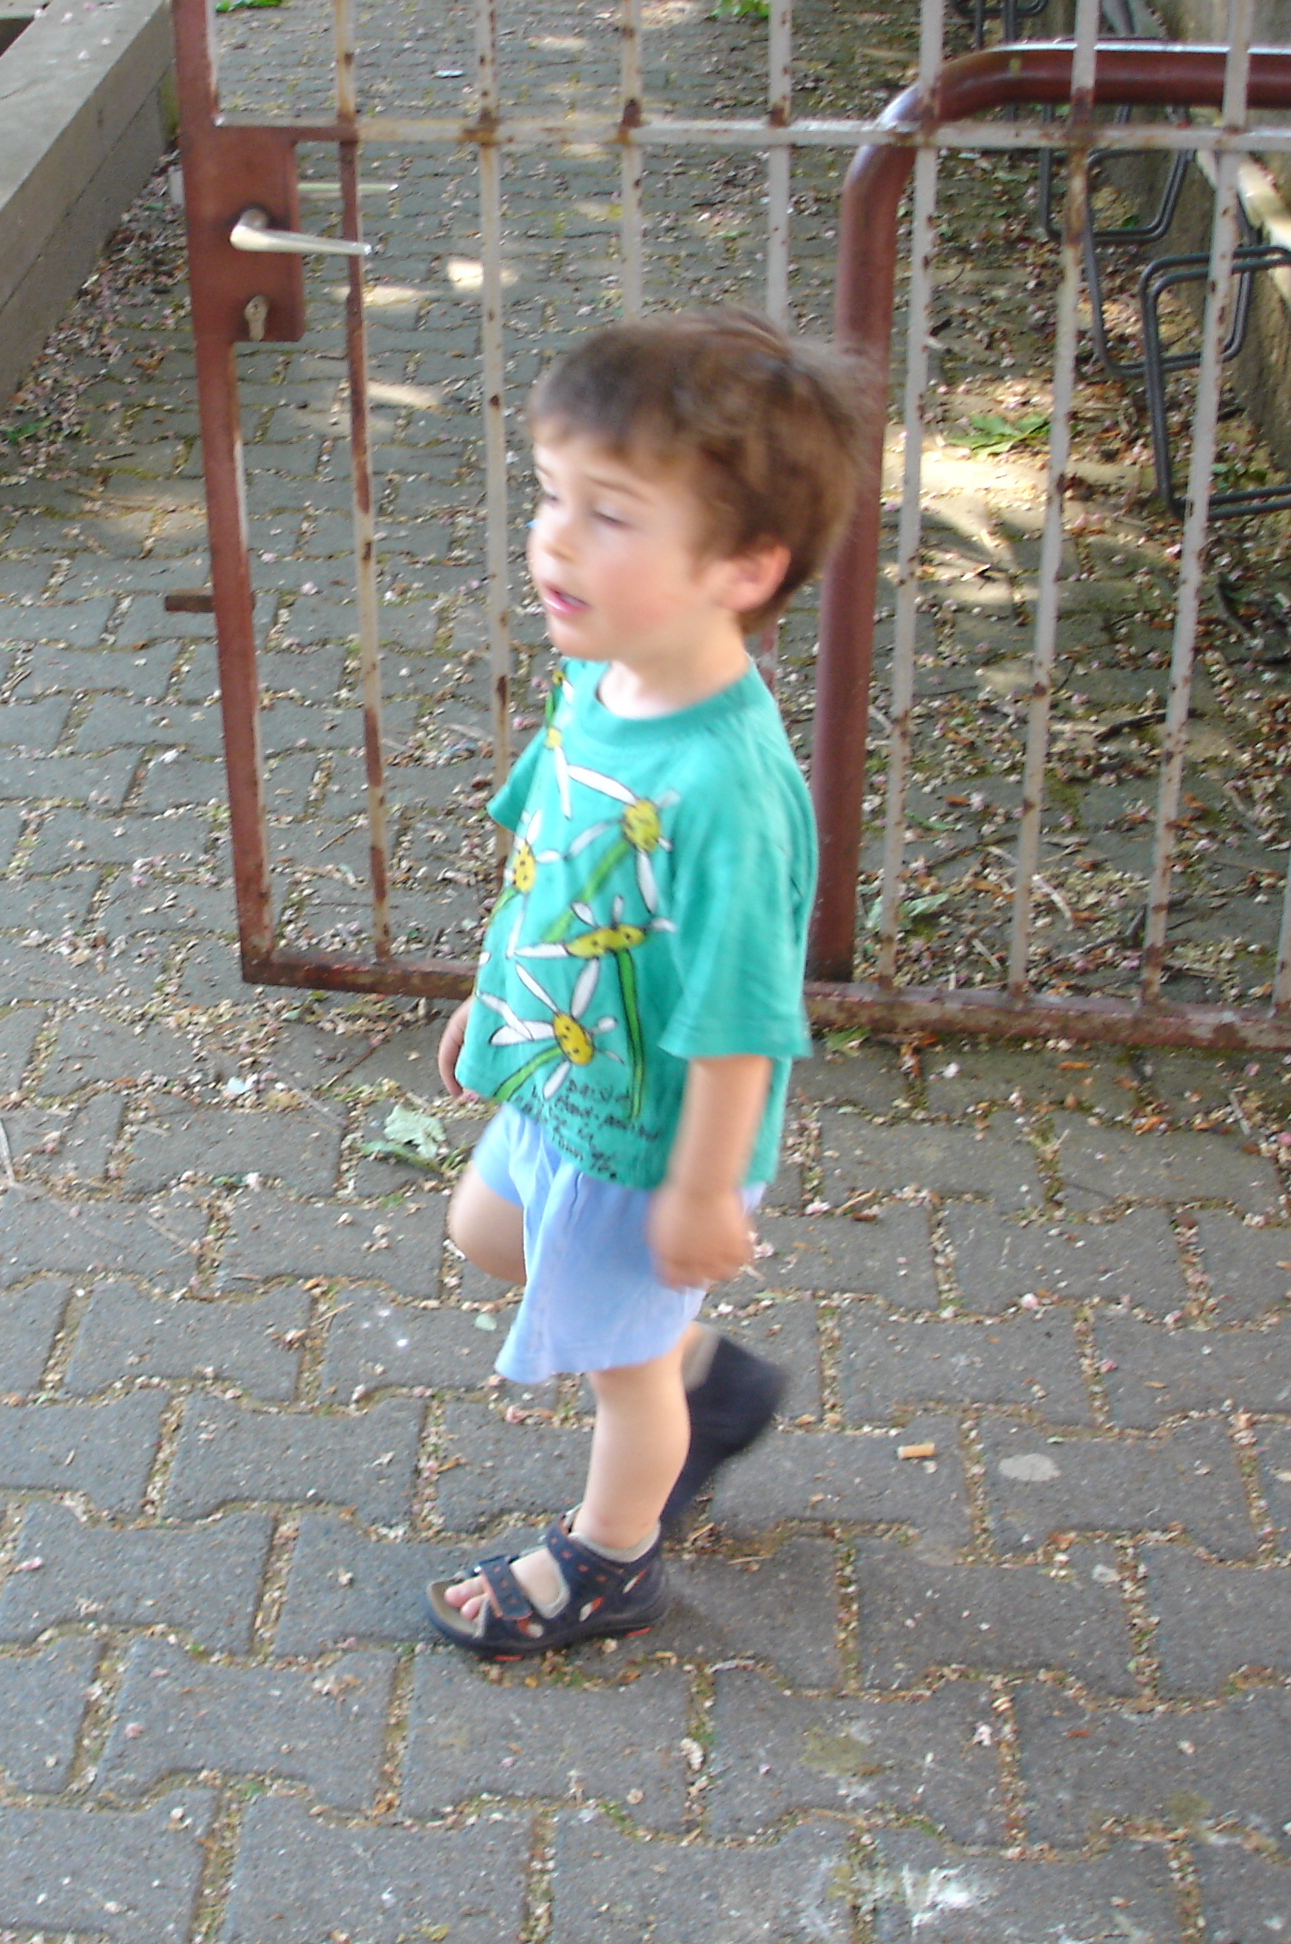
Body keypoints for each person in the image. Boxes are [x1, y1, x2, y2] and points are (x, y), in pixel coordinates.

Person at [426, 306, 871, 1658]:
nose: (555, 540)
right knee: (488, 1233)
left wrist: (700, 1189)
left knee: (620, 1371)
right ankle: (705, 1379)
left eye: (609, 514)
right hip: (567, 1079)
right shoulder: (607, 680)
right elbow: (547, 861)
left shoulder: (728, 790)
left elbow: (744, 1022)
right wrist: (492, 994)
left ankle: (609, 1561)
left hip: (656, 1139)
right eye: (551, 495)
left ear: (744, 568)